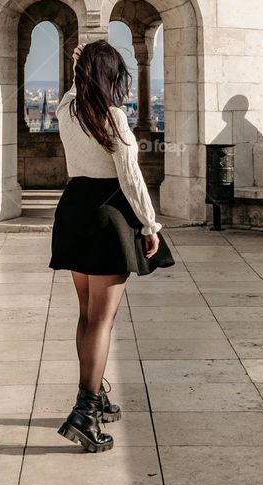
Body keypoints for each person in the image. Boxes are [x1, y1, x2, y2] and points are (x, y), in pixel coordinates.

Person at [49, 39, 175, 452]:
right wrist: (150, 224)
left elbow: (73, 90)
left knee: (87, 315)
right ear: (111, 75)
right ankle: (84, 411)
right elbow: (131, 178)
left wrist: (77, 66)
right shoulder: (113, 117)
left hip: (73, 209)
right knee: (102, 320)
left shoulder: (66, 110)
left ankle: (95, 392)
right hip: (107, 213)